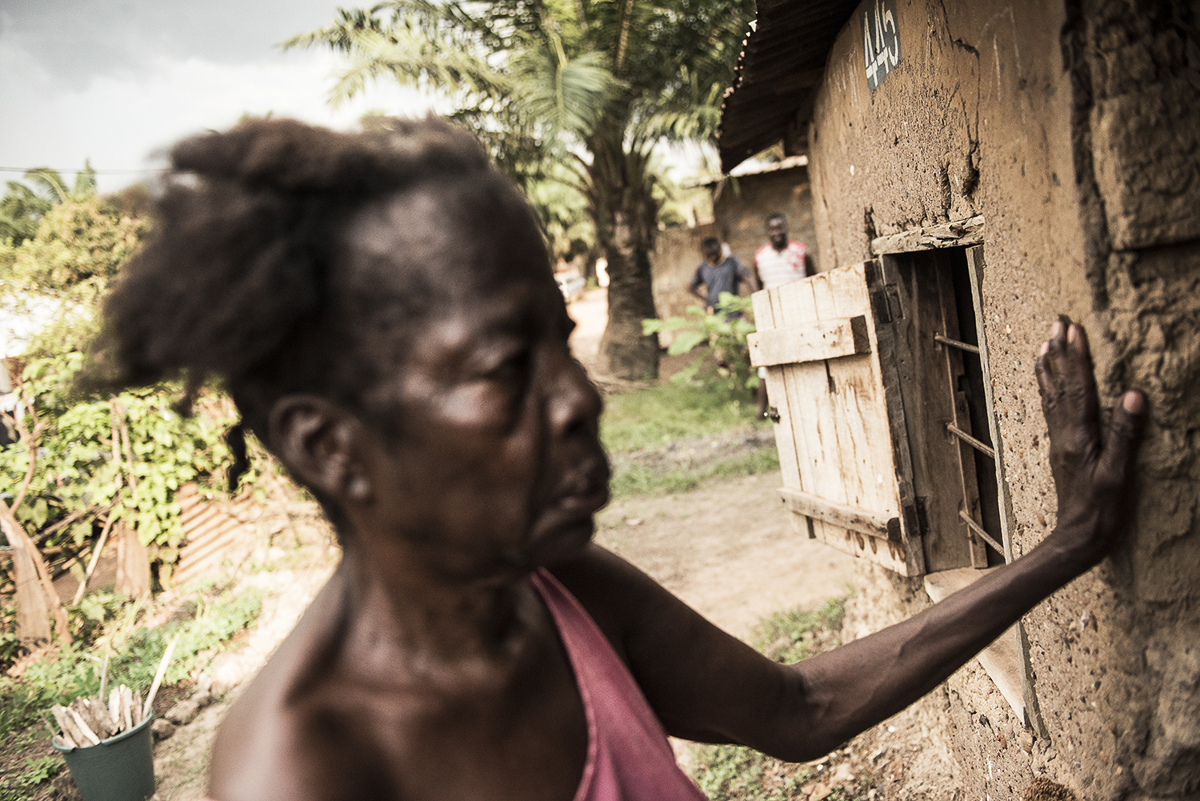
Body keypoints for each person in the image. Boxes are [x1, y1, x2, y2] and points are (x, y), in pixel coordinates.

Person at [87, 117, 1146, 801]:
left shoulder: (552, 593)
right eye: (507, 365)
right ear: (333, 444)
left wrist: (1070, 543)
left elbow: (798, 712)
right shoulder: (303, 772)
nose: (579, 396)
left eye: (564, 337)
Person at [752, 213, 814, 418]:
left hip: (800, 313)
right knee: (768, 360)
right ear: (768, 232)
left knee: (804, 356)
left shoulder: (801, 252)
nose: (777, 232)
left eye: (780, 228)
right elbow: (760, 288)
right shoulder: (760, 257)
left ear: (786, 228)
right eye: (772, 228)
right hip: (772, 316)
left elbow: (814, 280)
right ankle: (762, 410)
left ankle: (806, 401)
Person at [689, 236, 757, 314]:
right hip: (714, 313)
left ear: (719, 250)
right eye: (709, 255)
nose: (712, 257)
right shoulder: (702, 268)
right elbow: (691, 287)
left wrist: (756, 297)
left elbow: (748, 278)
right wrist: (706, 299)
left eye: (714, 254)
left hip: (733, 311)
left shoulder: (732, 263)